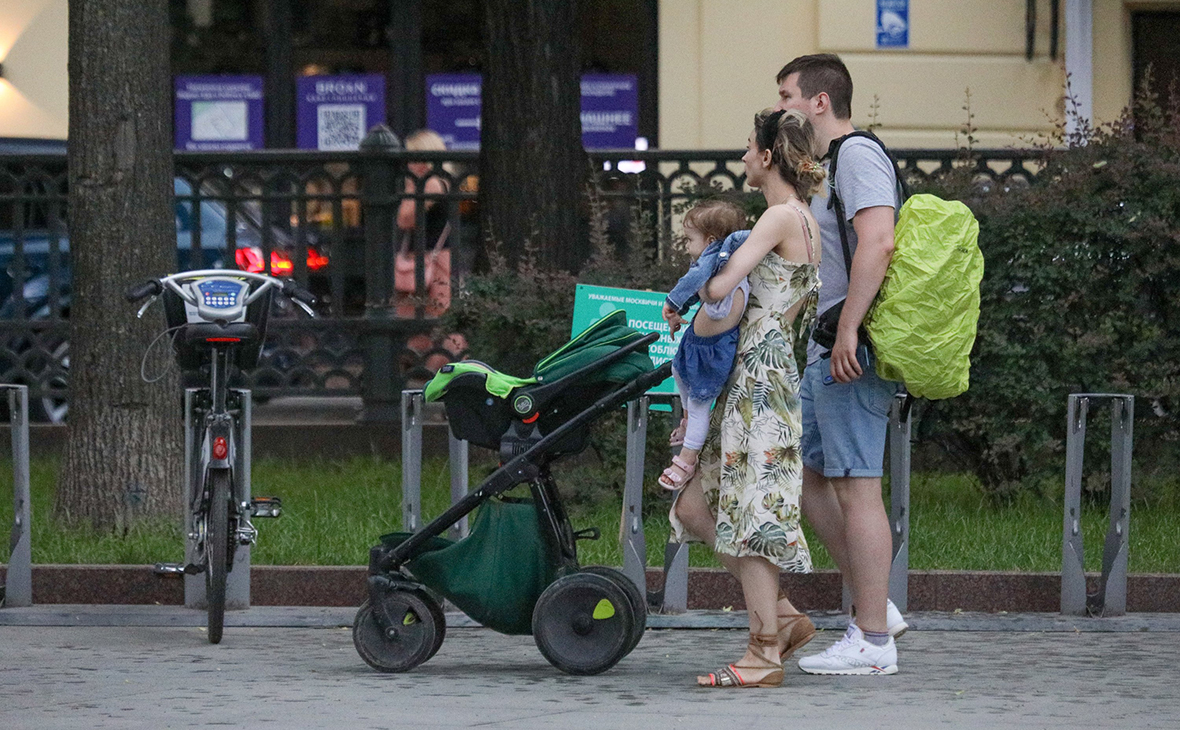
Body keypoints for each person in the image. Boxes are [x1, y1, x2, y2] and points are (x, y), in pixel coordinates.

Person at [669, 108, 825, 688]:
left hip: (757, 379)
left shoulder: (779, 217)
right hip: (761, 374)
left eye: (746, 150)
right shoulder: (802, 218)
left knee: (750, 514)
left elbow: (718, 286)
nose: (741, 159)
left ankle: (763, 651)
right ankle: (781, 619)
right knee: (694, 507)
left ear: (767, 157)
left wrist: (703, 273)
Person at [774, 53, 907, 675]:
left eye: (787, 95)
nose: (781, 108)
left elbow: (878, 239)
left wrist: (850, 327)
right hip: (829, 343)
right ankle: (874, 604)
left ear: (819, 102)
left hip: (853, 345)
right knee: (806, 472)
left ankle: (874, 642)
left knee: (857, 487)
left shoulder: (856, 156)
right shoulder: (830, 165)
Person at [658, 198, 750, 491]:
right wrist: (680, 314)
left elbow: (693, 281)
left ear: (711, 241)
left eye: (689, 240)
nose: (685, 246)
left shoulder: (715, 265)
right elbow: (699, 291)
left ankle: (686, 460)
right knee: (677, 374)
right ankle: (687, 423)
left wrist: (672, 302)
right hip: (695, 347)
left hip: (710, 353)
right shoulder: (718, 266)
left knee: (699, 404)